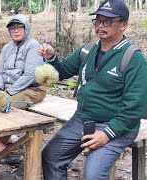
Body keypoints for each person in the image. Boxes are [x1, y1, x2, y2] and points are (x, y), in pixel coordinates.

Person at [38, 1, 147, 179]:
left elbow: (136, 106)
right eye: (98, 21)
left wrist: (107, 134)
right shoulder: (87, 51)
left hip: (117, 124)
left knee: (93, 175)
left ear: (124, 25)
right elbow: (62, 71)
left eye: (108, 21)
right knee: (52, 156)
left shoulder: (133, 58)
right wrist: (51, 57)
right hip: (83, 118)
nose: (101, 25)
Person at [0, 14, 46, 154]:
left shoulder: (33, 46)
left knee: (3, 105)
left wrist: (7, 93)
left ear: (26, 28)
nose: (15, 31)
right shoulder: (7, 48)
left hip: (32, 89)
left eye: (19, 27)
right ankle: (0, 142)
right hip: (9, 89)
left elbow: (29, 75)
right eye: (12, 28)